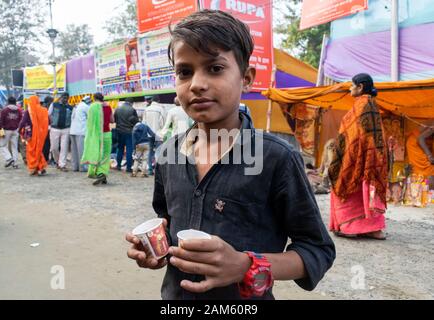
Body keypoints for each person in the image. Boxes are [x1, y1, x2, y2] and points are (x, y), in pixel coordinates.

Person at [126, 10, 335, 300]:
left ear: (246, 78)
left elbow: (317, 250)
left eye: (214, 68)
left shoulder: (276, 159)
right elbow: (168, 222)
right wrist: (156, 251)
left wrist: (246, 265)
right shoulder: (168, 155)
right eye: (185, 72)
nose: (197, 84)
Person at [328, 73, 388, 240]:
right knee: (364, 187)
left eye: (352, 85)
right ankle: (374, 229)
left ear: (360, 87)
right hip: (367, 157)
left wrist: (346, 156)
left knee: (347, 184)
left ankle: (351, 227)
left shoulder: (363, 105)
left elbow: (356, 136)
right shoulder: (370, 105)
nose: (349, 88)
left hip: (356, 157)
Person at [81, 93, 114, 186]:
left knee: (95, 153)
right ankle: (102, 173)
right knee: (105, 155)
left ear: (94, 99)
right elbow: (112, 120)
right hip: (107, 134)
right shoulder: (108, 107)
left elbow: (89, 122)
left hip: (95, 135)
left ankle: (95, 172)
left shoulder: (92, 107)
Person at [18, 96, 49, 176]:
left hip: (31, 134)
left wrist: (19, 129)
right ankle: (41, 167)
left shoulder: (29, 111)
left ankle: (34, 168)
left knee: (32, 151)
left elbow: (23, 121)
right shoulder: (44, 110)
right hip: (42, 134)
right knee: (38, 150)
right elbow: (49, 121)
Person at [49, 92, 73, 171]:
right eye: (64, 97)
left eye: (66, 98)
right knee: (54, 148)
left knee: (64, 147)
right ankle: (57, 161)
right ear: (61, 97)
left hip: (66, 129)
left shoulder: (70, 107)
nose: (65, 99)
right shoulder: (54, 105)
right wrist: (52, 122)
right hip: (55, 128)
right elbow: (48, 114)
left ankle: (62, 164)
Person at [114, 97, 139, 173]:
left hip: (119, 131)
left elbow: (115, 119)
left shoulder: (117, 109)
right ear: (131, 103)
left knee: (120, 148)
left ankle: (118, 165)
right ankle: (128, 167)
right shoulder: (132, 110)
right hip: (129, 132)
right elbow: (136, 121)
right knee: (129, 150)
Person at [406, 121, 434, 188]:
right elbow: (420, 139)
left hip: (413, 143)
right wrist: (429, 156)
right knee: (427, 170)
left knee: (419, 173)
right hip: (415, 143)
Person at [143, 95, 166, 175]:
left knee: (149, 151)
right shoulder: (161, 109)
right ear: (158, 101)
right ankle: (157, 170)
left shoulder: (146, 109)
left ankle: (150, 169)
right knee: (158, 151)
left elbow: (144, 123)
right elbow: (163, 123)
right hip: (158, 134)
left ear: (152, 100)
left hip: (149, 134)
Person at [0, 97, 23, 169]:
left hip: (6, 130)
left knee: (2, 145)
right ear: (15, 102)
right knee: (14, 147)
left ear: (8, 101)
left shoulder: (4, 110)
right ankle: (15, 163)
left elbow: (1, 120)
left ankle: (9, 158)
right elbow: (21, 120)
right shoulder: (19, 110)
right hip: (16, 130)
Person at [70, 96, 91, 172]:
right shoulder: (86, 107)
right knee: (82, 150)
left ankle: (74, 167)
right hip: (81, 131)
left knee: (74, 151)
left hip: (73, 131)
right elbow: (90, 118)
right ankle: (83, 167)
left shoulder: (76, 106)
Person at [42, 96, 54, 163]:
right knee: (46, 144)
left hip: (46, 128)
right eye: (51, 102)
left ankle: (46, 158)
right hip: (45, 128)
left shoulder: (44, 107)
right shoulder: (45, 108)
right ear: (49, 102)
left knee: (47, 144)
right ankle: (45, 159)